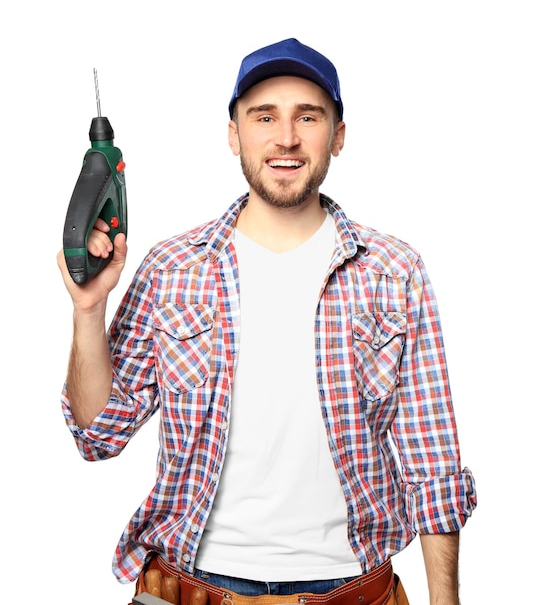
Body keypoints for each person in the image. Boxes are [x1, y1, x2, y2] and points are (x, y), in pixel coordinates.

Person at [57, 38, 477, 605]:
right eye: (264, 117)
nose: (286, 137)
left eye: (308, 116)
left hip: (354, 590)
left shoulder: (393, 272)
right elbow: (98, 435)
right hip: (189, 589)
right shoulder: (173, 269)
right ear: (234, 135)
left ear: (339, 135)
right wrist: (89, 311)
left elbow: (433, 464)